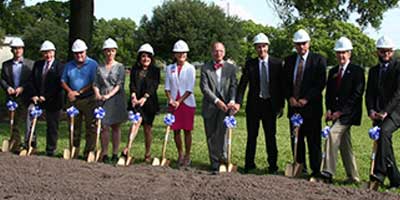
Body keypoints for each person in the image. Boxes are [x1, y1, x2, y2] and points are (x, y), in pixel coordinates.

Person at [235, 33, 284, 174]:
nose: (261, 49)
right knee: (252, 136)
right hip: (254, 106)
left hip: (270, 105)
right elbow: (242, 85)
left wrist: (281, 105)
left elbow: (281, 86)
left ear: (267, 47)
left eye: (263, 46)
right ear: (255, 48)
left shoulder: (277, 64)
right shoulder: (250, 64)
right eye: (258, 47)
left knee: (270, 137)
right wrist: (238, 102)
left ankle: (273, 166)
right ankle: (249, 164)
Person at [283, 29, 327, 180]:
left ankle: (316, 170)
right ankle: (300, 166)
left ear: (309, 43)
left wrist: (306, 99)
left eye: (304, 43)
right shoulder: (289, 60)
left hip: (312, 108)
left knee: (313, 141)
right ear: (294, 45)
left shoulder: (318, 60)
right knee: (296, 139)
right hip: (294, 107)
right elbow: (285, 83)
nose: (301, 46)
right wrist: (289, 97)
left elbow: (320, 83)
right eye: (298, 44)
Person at [320, 37, 364, 183]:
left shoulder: (357, 71)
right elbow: (330, 94)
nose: (341, 56)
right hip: (335, 114)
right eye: (339, 53)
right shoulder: (332, 71)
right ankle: (353, 176)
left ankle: (328, 171)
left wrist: (341, 112)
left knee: (332, 135)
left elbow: (356, 95)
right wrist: (329, 110)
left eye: (344, 52)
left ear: (349, 53)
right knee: (345, 144)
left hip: (349, 115)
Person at [366, 36, 400, 190]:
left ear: (392, 52)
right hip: (378, 112)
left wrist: (386, 111)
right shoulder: (373, 71)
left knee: (384, 133)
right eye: (382, 51)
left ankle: (379, 173)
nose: (385, 53)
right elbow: (369, 94)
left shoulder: (398, 67)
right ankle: (395, 179)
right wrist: (371, 110)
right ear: (377, 52)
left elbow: (398, 93)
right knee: (385, 142)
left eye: (388, 51)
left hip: (396, 112)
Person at [200, 42, 237, 173]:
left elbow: (233, 86)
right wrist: (216, 101)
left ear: (224, 52)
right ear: (212, 52)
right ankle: (214, 162)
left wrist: (232, 100)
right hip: (210, 106)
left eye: (221, 51)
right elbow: (204, 88)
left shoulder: (231, 68)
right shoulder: (205, 68)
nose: (218, 53)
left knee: (223, 133)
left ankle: (224, 159)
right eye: (216, 51)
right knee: (211, 135)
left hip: (226, 107)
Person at [61, 39, 98, 159]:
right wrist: (70, 91)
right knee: (74, 126)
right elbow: (63, 81)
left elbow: (94, 82)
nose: (79, 55)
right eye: (76, 53)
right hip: (73, 100)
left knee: (90, 127)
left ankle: (89, 152)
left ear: (85, 51)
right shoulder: (69, 65)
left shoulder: (93, 64)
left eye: (81, 52)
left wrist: (80, 91)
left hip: (89, 99)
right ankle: (74, 149)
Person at [93, 38, 127, 163]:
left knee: (116, 126)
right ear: (104, 52)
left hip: (116, 99)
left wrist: (109, 95)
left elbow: (119, 84)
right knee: (104, 127)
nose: (110, 53)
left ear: (115, 52)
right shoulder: (99, 67)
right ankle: (105, 152)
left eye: (112, 51)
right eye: (107, 51)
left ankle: (115, 152)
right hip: (102, 99)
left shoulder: (120, 67)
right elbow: (96, 83)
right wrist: (97, 93)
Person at [29, 40, 65, 156]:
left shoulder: (60, 66)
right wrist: (34, 95)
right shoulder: (38, 65)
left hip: (53, 100)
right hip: (38, 99)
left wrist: (46, 96)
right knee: (31, 121)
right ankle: (30, 144)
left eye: (50, 52)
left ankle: (50, 149)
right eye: (45, 53)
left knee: (52, 126)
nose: (48, 55)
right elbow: (32, 81)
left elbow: (59, 85)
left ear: (54, 52)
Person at [165, 40, 196, 167]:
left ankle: (188, 155)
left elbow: (190, 88)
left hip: (186, 102)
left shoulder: (191, 68)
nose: (181, 55)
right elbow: (167, 87)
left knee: (187, 130)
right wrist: (171, 99)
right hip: (173, 102)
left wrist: (179, 101)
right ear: (175, 54)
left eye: (183, 52)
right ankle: (180, 154)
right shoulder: (169, 68)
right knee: (176, 130)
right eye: (178, 53)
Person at [0, 37, 33, 153]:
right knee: (13, 121)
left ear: (23, 49)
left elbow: (32, 81)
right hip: (12, 98)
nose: (17, 51)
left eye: (19, 48)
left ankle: (29, 144)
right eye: (15, 49)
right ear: (11, 50)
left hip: (26, 98)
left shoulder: (30, 64)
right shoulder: (5, 65)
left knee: (28, 122)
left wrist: (23, 88)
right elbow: (2, 80)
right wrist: (7, 87)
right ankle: (15, 143)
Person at [129, 43, 160, 163]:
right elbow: (132, 84)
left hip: (149, 103)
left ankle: (147, 153)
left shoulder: (155, 71)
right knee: (135, 124)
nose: (145, 59)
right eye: (143, 56)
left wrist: (144, 98)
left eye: (148, 56)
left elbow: (154, 86)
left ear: (151, 58)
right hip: (136, 102)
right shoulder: (135, 69)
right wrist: (133, 96)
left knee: (147, 128)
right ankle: (128, 149)